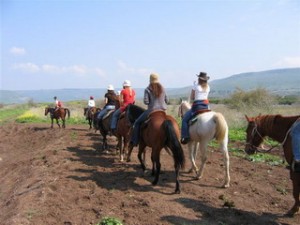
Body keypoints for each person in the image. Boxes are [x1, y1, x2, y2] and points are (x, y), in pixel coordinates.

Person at [130, 73, 168, 146]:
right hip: (163, 111)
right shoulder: (163, 88)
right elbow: (167, 100)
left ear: (150, 79)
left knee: (137, 122)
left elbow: (146, 101)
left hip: (152, 110)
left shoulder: (148, 89)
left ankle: (135, 141)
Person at [180, 72, 211, 144]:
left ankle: (185, 136)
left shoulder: (196, 86)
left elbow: (192, 97)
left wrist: (194, 87)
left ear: (199, 79)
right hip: (206, 106)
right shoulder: (208, 87)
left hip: (197, 106)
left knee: (184, 120)